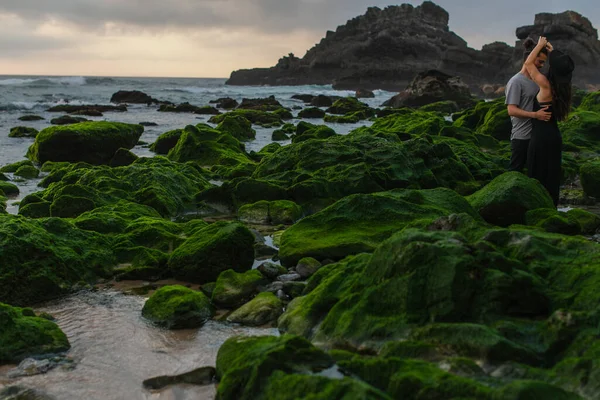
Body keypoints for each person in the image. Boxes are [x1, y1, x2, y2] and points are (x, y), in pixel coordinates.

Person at [523, 36, 574, 206]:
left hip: (541, 137)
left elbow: (529, 64)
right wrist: (552, 52)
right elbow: (561, 67)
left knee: (537, 175)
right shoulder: (563, 89)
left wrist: (539, 46)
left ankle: (536, 209)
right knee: (551, 176)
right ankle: (551, 208)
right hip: (554, 137)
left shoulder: (545, 84)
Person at [505, 39, 552, 172]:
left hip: (537, 135)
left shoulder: (538, 80)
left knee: (534, 172)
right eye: (540, 61)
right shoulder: (516, 82)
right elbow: (511, 110)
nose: (542, 65)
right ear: (530, 59)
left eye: (544, 62)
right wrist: (536, 115)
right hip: (521, 137)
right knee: (515, 172)